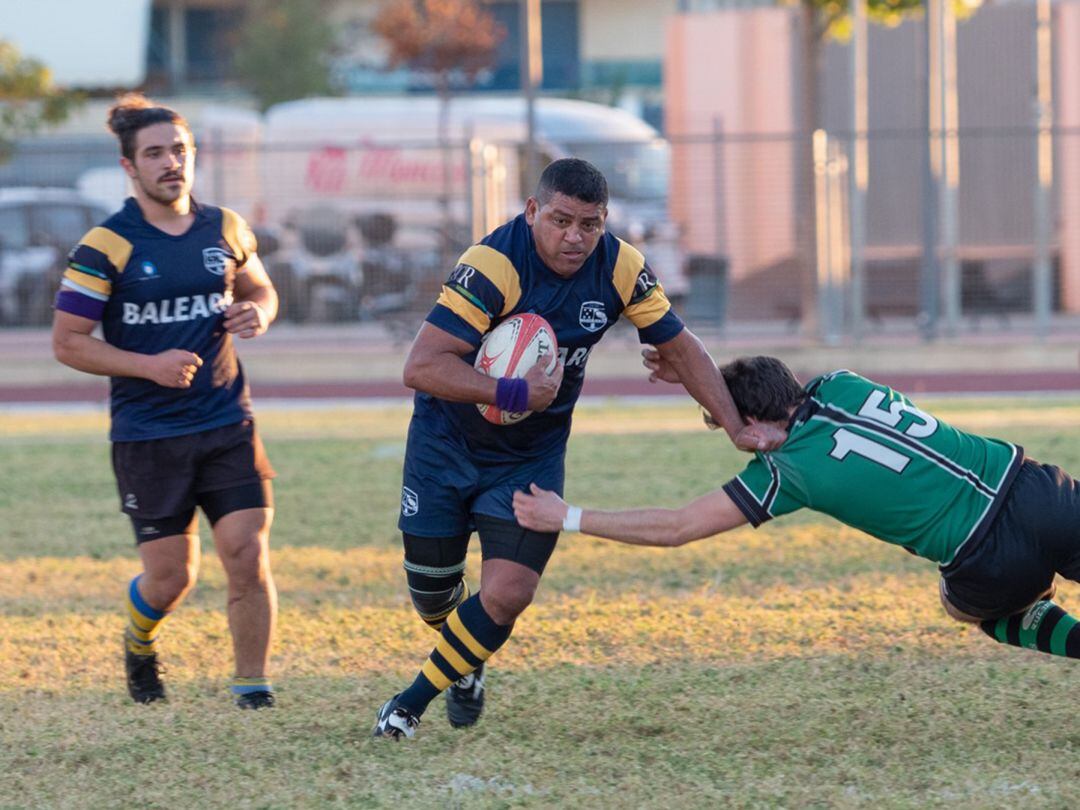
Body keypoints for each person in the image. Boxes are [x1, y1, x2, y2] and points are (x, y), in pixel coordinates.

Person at [372, 158, 783, 739]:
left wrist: (737, 425)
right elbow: (421, 366)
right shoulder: (493, 265)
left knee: (508, 592)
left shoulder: (619, 267)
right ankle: (466, 661)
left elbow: (682, 346)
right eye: (561, 220)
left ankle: (407, 706)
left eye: (589, 224)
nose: (575, 237)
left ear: (604, 222)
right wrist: (516, 389)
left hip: (529, 456)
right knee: (435, 599)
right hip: (446, 446)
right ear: (533, 210)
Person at [514, 355, 1080, 664]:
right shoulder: (842, 382)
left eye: (731, 426)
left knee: (965, 610)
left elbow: (678, 526)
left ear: (757, 428)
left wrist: (567, 516)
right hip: (1036, 487)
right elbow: (759, 397)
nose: (730, 434)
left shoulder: (786, 473)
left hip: (983, 556)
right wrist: (693, 375)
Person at [52, 94, 280, 709]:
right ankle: (140, 638)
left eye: (179, 150)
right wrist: (147, 366)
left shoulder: (225, 227)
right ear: (130, 167)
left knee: (247, 552)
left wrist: (256, 310)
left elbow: (260, 284)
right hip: (148, 434)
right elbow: (68, 343)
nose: (170, 162)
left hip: (228, 419)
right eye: (154, 153)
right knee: (171, 577)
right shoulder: (106, 245)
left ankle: (252, 688)